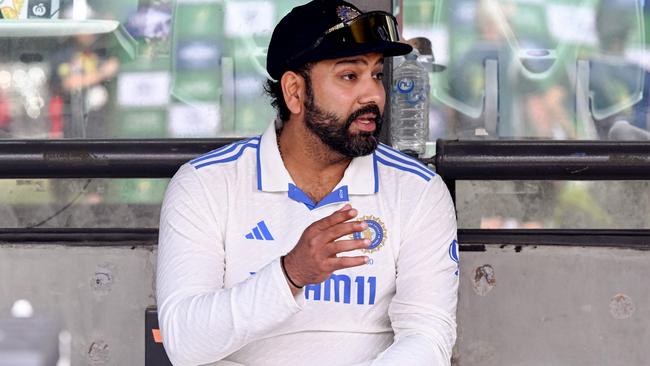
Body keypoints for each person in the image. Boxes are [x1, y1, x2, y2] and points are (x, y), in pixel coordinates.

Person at [156, 1, 459, 365]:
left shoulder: (418, 191)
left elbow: (428, 337)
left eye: (377, 75)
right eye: (350, 76)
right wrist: (290, 274)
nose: (373, 96)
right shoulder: (205, 184)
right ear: (294, 92)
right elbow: (184, 341)